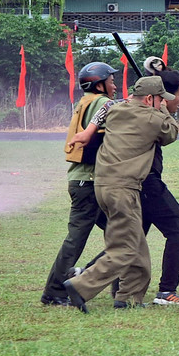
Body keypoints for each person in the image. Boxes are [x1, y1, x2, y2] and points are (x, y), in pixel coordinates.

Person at [67, 70, 179, 306]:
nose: (168, 101)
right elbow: (172, 133)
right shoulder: (152, 118)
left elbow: (105, 109)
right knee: (126, 249)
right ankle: (80, 284)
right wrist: (163, 109)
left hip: (104, 185)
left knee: (137, 247)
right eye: (161, 98)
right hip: (124, 188)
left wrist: (88, 131)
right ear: (150, 100)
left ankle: (126, 299)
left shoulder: (116, 109)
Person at [40, 62, 117, 307]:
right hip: (89, 182)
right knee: (79, 240)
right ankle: (55, 291)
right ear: (99, 83)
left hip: (84, 180)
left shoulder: (84, 101)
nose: (115, 85)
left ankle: (118, 284)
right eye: (111, 81)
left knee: (124, 236)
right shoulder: (102, 103)